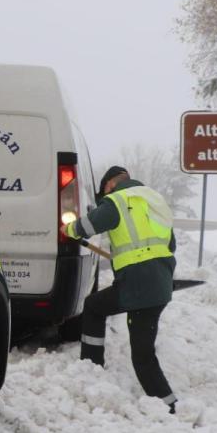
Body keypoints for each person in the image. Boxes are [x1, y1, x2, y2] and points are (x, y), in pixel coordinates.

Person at [61, 166, 178, 413]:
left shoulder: (117, 200)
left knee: (140, 353)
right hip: (159, 283)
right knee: (139, 347)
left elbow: (89, 225)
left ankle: (92, 366)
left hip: (138, 285)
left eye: (103, 191)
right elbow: (170, 243)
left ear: (111, 184)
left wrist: (69, 229)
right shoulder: (154, 199)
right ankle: (168, 405)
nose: (103, 197)